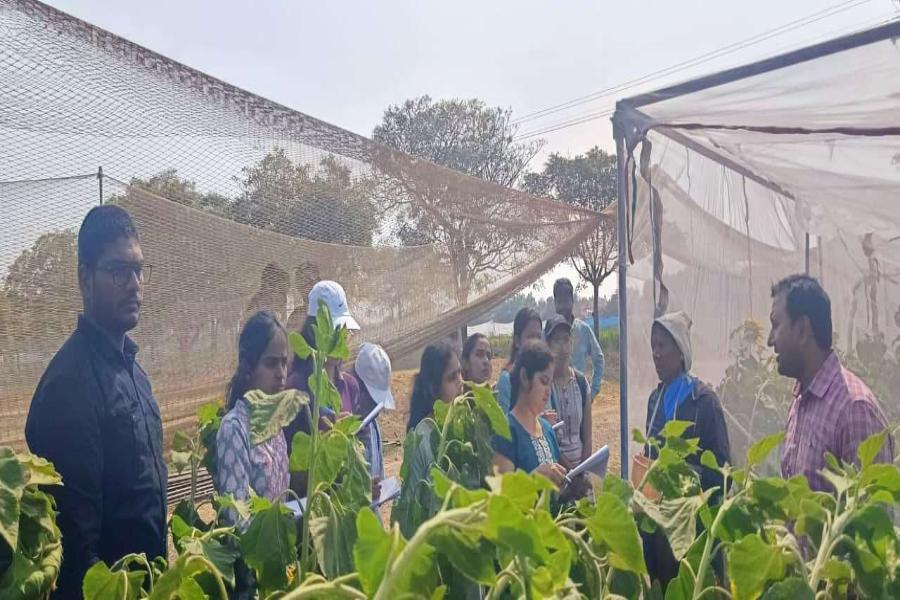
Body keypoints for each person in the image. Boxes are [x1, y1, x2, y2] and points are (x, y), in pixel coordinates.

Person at [25, 205, 167, 598]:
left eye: (139, 270)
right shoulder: (69, 387)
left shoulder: (134, 373)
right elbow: (76, 548)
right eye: (119, 271)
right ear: (84, 278)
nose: (135, 283)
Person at [768, 275, 893, 492]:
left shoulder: (855, 409)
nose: (770, 340)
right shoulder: (801, 401)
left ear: (802, 330)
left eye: (776, 325)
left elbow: (873, 516)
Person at [642, 311, 731, 587]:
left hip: (694, 530)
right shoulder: (655, 400)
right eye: (653, 345)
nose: (656, 353)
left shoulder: (703, 402)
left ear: (680, 351)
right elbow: (649, 457)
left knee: (692, 588)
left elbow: (723, 474)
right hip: (658, 530)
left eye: (662, 345)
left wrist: (682, 477)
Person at [284, 280, 361, 493]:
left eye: (343, 332)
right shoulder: (295, 388)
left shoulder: (350, 386)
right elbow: (288, 470)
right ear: (314, 332)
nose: (342, 338)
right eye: (335, 331)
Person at [215, 311, 291, 513]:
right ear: (248, 367)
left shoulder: (275, 427)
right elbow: (236, 516)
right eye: (271, 363)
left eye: (284, 363)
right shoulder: (234, 428)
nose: (280, 374)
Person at [492, 341, 568, 487]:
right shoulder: (505, 432)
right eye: (544, 381)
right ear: (524, 377)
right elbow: (502, 498)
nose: (548, 391)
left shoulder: (547, 429)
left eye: (550, 383)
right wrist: (533, 479)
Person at [544, 315, 593, 470]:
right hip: (555, 472)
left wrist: (582, 471)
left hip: (581, 469)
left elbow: (587, 436)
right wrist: (570, 475)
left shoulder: (581, 382)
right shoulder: (543, 385)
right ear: (548, 345)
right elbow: (547, 440)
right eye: (557, 340)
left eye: (566, 339)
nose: (563, 347)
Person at [352, 343, 395, 487]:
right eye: (372, 401)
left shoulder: (372, 425)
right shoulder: (340, 429)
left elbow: (378, 478)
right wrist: (363, 491)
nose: (376, 412)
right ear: (357, 387)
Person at [553, 278, 604, 401]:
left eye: (566, 301)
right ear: (554, 303)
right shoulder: (549, 333)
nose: (563, 306)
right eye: (559, 301)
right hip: (555, 400)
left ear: (572, 301)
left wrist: (591, 392)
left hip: (580, 398)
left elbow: (599, 359)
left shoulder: (583, 330)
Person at [496, 308, 542, 412]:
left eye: (538, 337)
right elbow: (504, 424)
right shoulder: (507, 380)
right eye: (530, 337)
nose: (535, 343)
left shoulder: (541, 377)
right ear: (517, 341)